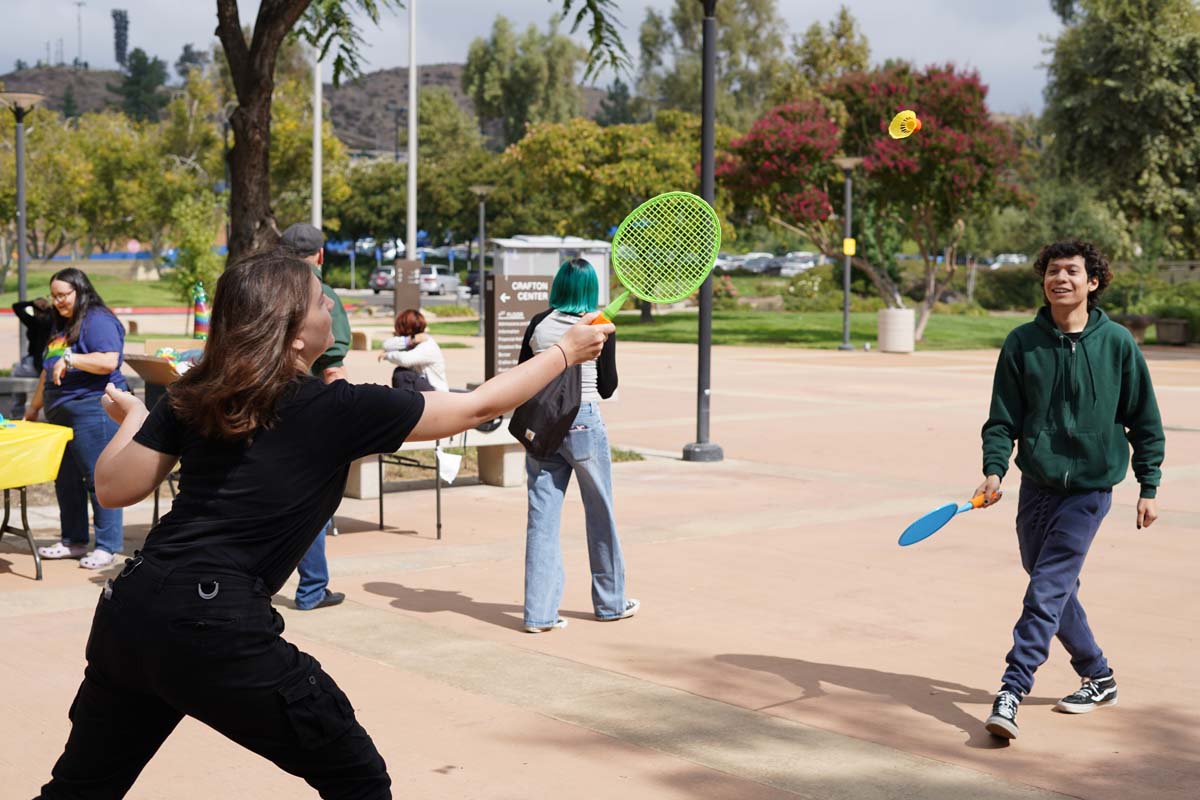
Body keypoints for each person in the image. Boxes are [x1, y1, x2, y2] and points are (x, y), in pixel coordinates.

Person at [35, 250, 611, 798]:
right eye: (320, 303)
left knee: (81, 791)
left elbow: (113, 487)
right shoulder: (339, 409)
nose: (332, 310)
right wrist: (564, 352)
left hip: (131, 610)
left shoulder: (195, 392)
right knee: (356, 778)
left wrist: (137, 416)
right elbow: (476, 407)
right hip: (215, 622)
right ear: (291, 329)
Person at [977, 240, 1165, 740]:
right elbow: (1001, 419)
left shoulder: (1118, 343)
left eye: (1072, 272)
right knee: (1054, 589)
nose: (1060, 279)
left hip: (1090, 489)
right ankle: (1098, 675)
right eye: (1052, 272)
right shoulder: (1022, 343)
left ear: (1092, 282)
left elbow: (1144, 419)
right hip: (1036, 487)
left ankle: (1011, 689)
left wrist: (1150, 483)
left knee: (1046, 588)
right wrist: (994, 470)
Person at [518, 258, 637, 633]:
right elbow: (607, 387)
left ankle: (539, 614)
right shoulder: (599, 327)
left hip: (543, 425)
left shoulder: (538, 324)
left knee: (542, 520)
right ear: (589, 289)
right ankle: (610, 603)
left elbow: (525, 372)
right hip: (584, 421)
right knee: (600, 513)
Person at [23, 269, 127, 570]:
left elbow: (109, 359)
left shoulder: (98, 319)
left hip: (92, 408)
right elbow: (48, 369)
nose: (57, 301)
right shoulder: (61, 324)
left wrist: (72, 358)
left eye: (63, 295)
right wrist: (33, 409)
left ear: (80, 290)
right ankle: (74, 540)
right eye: (54, 296)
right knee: (66, 479)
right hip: (59, 413)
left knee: (99, 477)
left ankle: (107, 545)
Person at [280, 222, 351, 611]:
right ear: (320, 255)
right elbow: (332, 365)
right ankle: (312, 588)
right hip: (304, 407)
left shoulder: (261, 287)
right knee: (313, 498)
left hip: (254, 401)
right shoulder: (322, 295)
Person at [378, 308, 448, 392]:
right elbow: (386, 345)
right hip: (424, 387)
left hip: (437, 393)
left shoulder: (427, 344)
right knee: (402, 372)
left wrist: (387, 355)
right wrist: (409, 340)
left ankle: (407, 404)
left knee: (403, 374)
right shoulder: (411, 341)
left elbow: (405, 360)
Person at [8, 296, 53, 417]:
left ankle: (17, 412)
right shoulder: (53, 320)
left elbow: (16, 306)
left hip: (36, 363)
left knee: (15, 374)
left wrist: (32, 303)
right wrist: (46, 307)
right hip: (47, 362)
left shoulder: (35, 322)